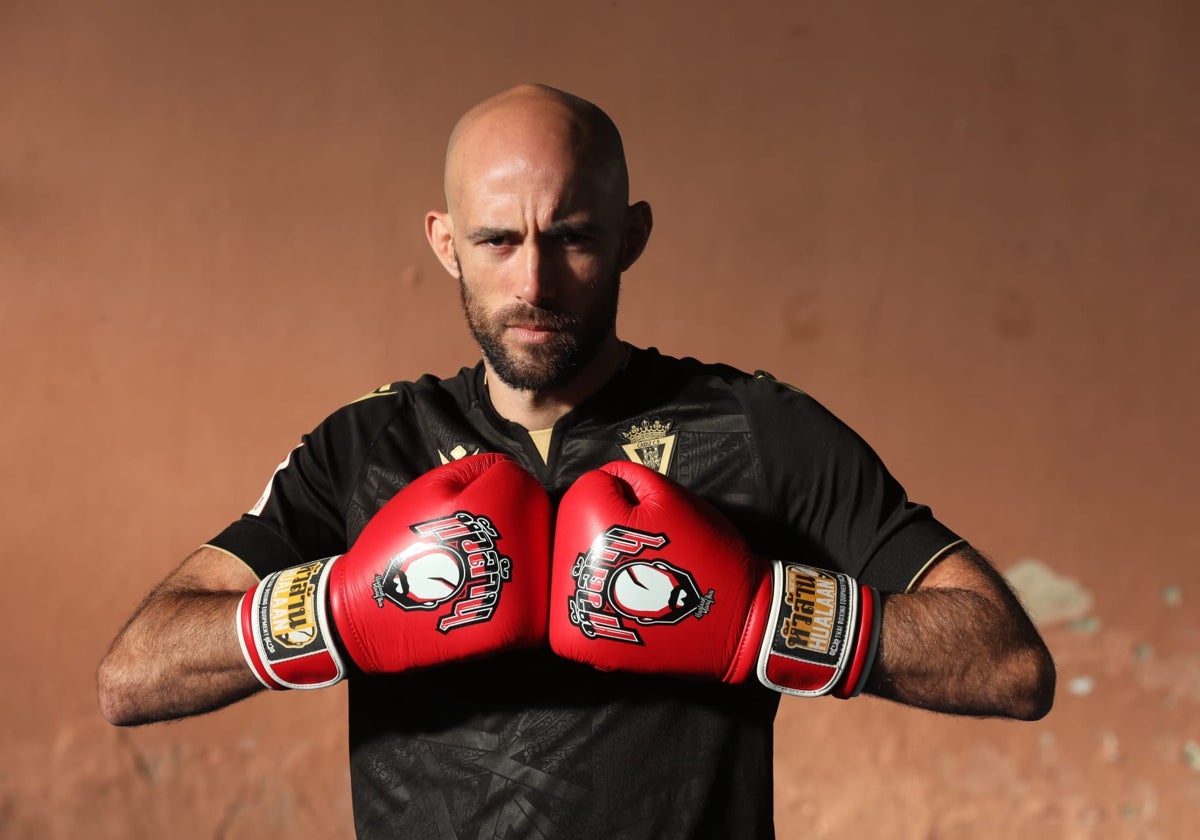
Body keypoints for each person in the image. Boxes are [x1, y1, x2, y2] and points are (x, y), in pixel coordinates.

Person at [97, 83, 1055, 839]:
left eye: (573, 238)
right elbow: (134, 674)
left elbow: (1009, 662)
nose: (535, 281)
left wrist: (761, 620)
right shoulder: (367, 446)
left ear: (632, 235)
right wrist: (344, 609)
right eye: (497, 240)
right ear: (444, 244)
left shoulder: (754, 429)